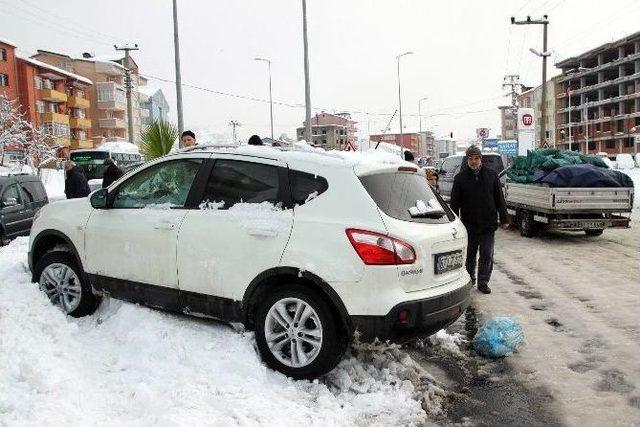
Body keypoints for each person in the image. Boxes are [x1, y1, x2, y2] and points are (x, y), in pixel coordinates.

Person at [450, 145, 509, 294]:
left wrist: (504, 218)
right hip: (469, 225)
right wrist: (454, 224)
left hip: (488, 224)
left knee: (487, 254)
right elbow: (455, 203)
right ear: (467, 160)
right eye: (471, 158)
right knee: (470, 255)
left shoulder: (491, 175)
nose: (474, 161)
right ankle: (470, 279)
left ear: (481, 159)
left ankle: (483, 282)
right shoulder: (460, 179)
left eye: (476, 158)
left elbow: (499, 198)